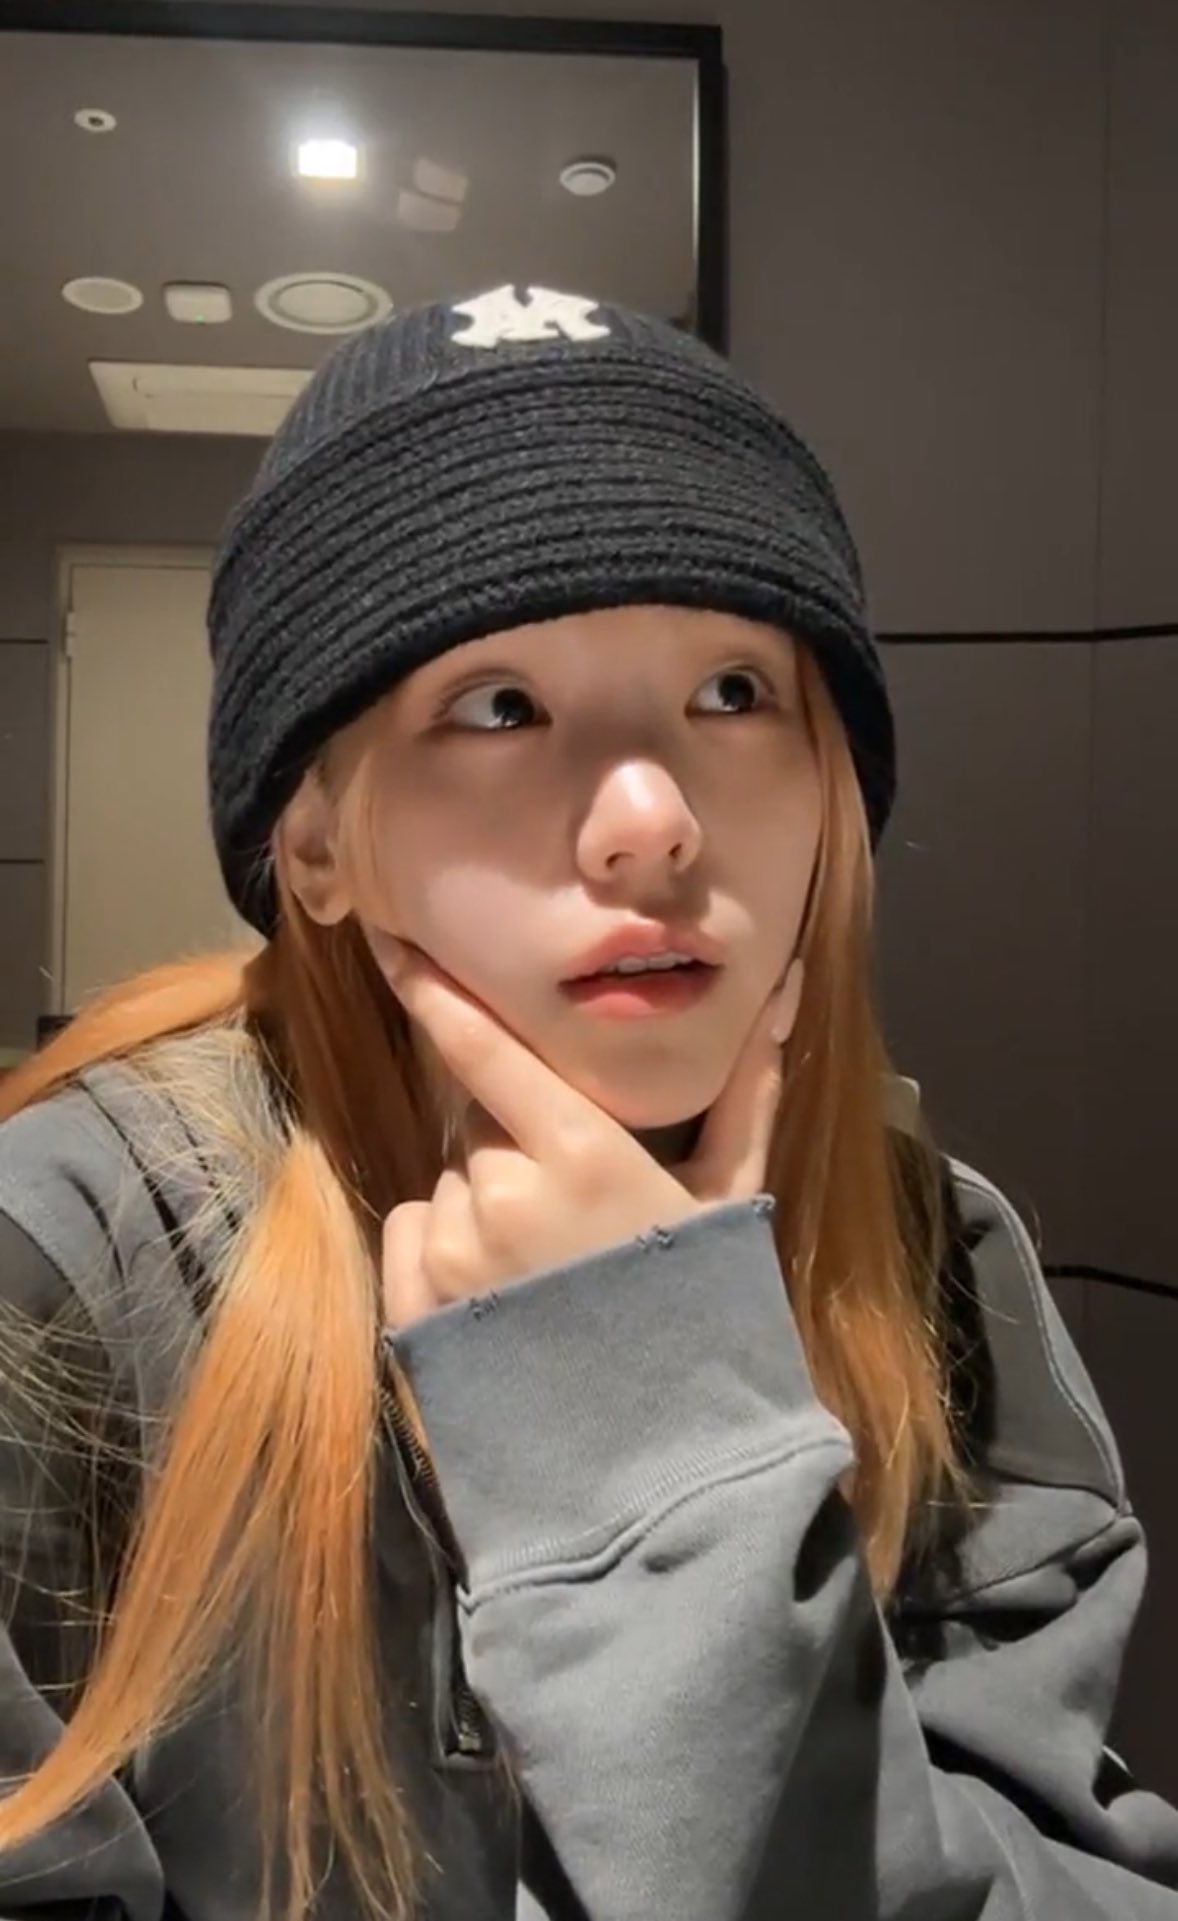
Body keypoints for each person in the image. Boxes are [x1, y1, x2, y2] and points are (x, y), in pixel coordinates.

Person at [0, 285, 1174, 1921]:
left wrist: (658, 1462)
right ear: (314, 843)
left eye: (734, 692)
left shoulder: (932, 1261)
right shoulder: (65, 1255)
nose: (648, 818)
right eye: (498, 704)